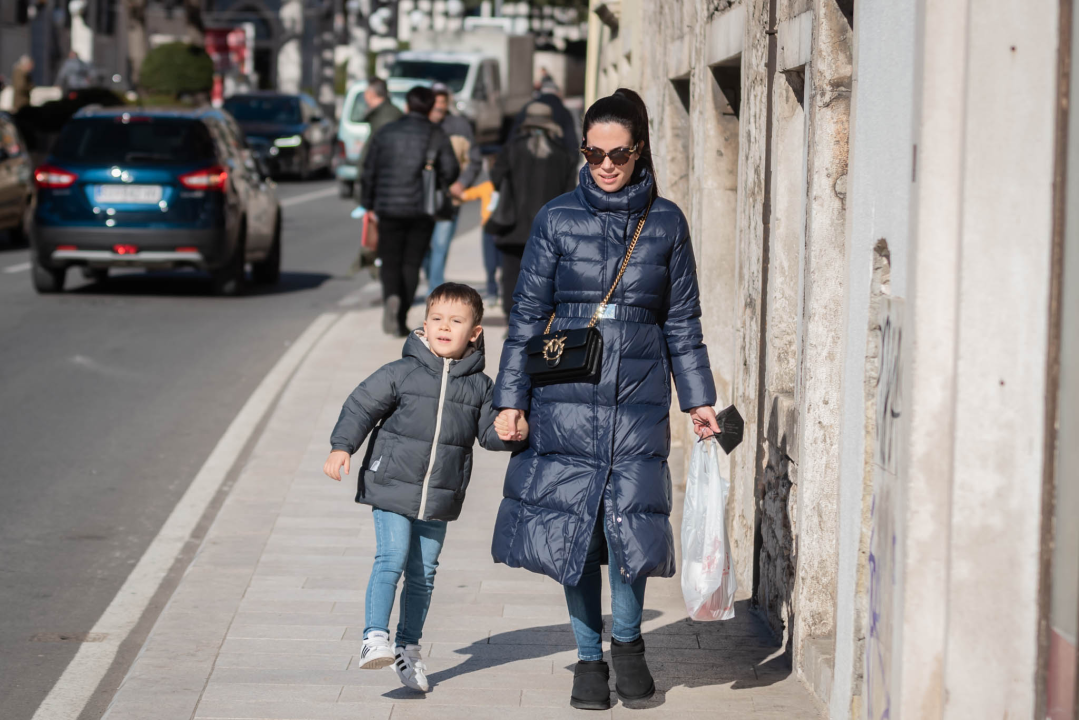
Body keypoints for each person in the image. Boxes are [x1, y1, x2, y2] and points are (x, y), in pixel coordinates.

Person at [490, 89, 722, 710]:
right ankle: (588, 659)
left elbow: (683, 321)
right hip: (564, 396)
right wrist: (509, 399)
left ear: (639, 149)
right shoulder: (556, 218)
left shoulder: (667, 222)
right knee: (576, 535)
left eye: (618, 153)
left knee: (630, 530)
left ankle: (629, 646)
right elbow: (526, 317)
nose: (606, 164)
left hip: (639, 398)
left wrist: (698, 399)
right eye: (594, 152)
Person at [323, 283, 527, 693]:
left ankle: (408, 648)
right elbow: (361, 404)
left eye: (456, 321)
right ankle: (373, 637)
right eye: (436, 319)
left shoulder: (481, 386)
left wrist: (512, 431)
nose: (444, 327)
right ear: (424, 324)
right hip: (392, 485)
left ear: (475, 332)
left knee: (424, 575)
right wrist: (342, 446)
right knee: (392, 556)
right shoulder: (403, 372)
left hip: (439, 493)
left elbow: (488, 435)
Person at [360, 85, 459, 336]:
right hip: (421, 210)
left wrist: (368, 203)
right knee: (411, 263)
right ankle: (402, 313)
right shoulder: (436, 134)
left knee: (390, 261)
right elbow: (451, 171)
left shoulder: (385, 133)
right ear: (429, 108)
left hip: (388, 208)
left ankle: (391, 297)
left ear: (407, 105)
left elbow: (368, 171)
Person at [489, 101, 578, 318]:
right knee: (545, 275)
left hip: (513, 225)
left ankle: (512, 317)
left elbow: (496, 178)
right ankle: (538, 317)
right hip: (549, 228)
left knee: (511, 272)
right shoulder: (562, 153)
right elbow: (569, 191)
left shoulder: (512, 148)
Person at [423, 83, 482, 291]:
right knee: (423, 248)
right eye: (434, 102)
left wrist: (462, 183)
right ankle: (432, 282)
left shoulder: (459, 126)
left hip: (450, 199)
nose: (438, 107)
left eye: (442, 102)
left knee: (440, 245)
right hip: (421, 198)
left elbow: (474, 159)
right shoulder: (422, 125)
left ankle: (434, 294)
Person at [350, 78, 403, 274]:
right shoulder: (386, 115)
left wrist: (367, 190)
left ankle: (385, 281)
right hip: (384, 186)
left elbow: (376, 158)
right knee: (378, 236)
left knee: (380, 238)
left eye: (366, 93)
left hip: (384, 188)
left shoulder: (385, 118)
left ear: (371, 94)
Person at [459, 177, 501, 300]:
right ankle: (492, 291)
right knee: (490, 264)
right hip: (488, 229)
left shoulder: (507, 184)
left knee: (504, 263)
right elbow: (468, 194)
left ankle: (503, 290)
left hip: (503, 228)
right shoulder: (487, 186)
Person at [508, 85, 578, 153]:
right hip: (554, 158)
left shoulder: (527, 107)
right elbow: (571, 141)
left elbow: (513, 136)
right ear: (558, 94)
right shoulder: (563, 112)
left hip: (523, 156)